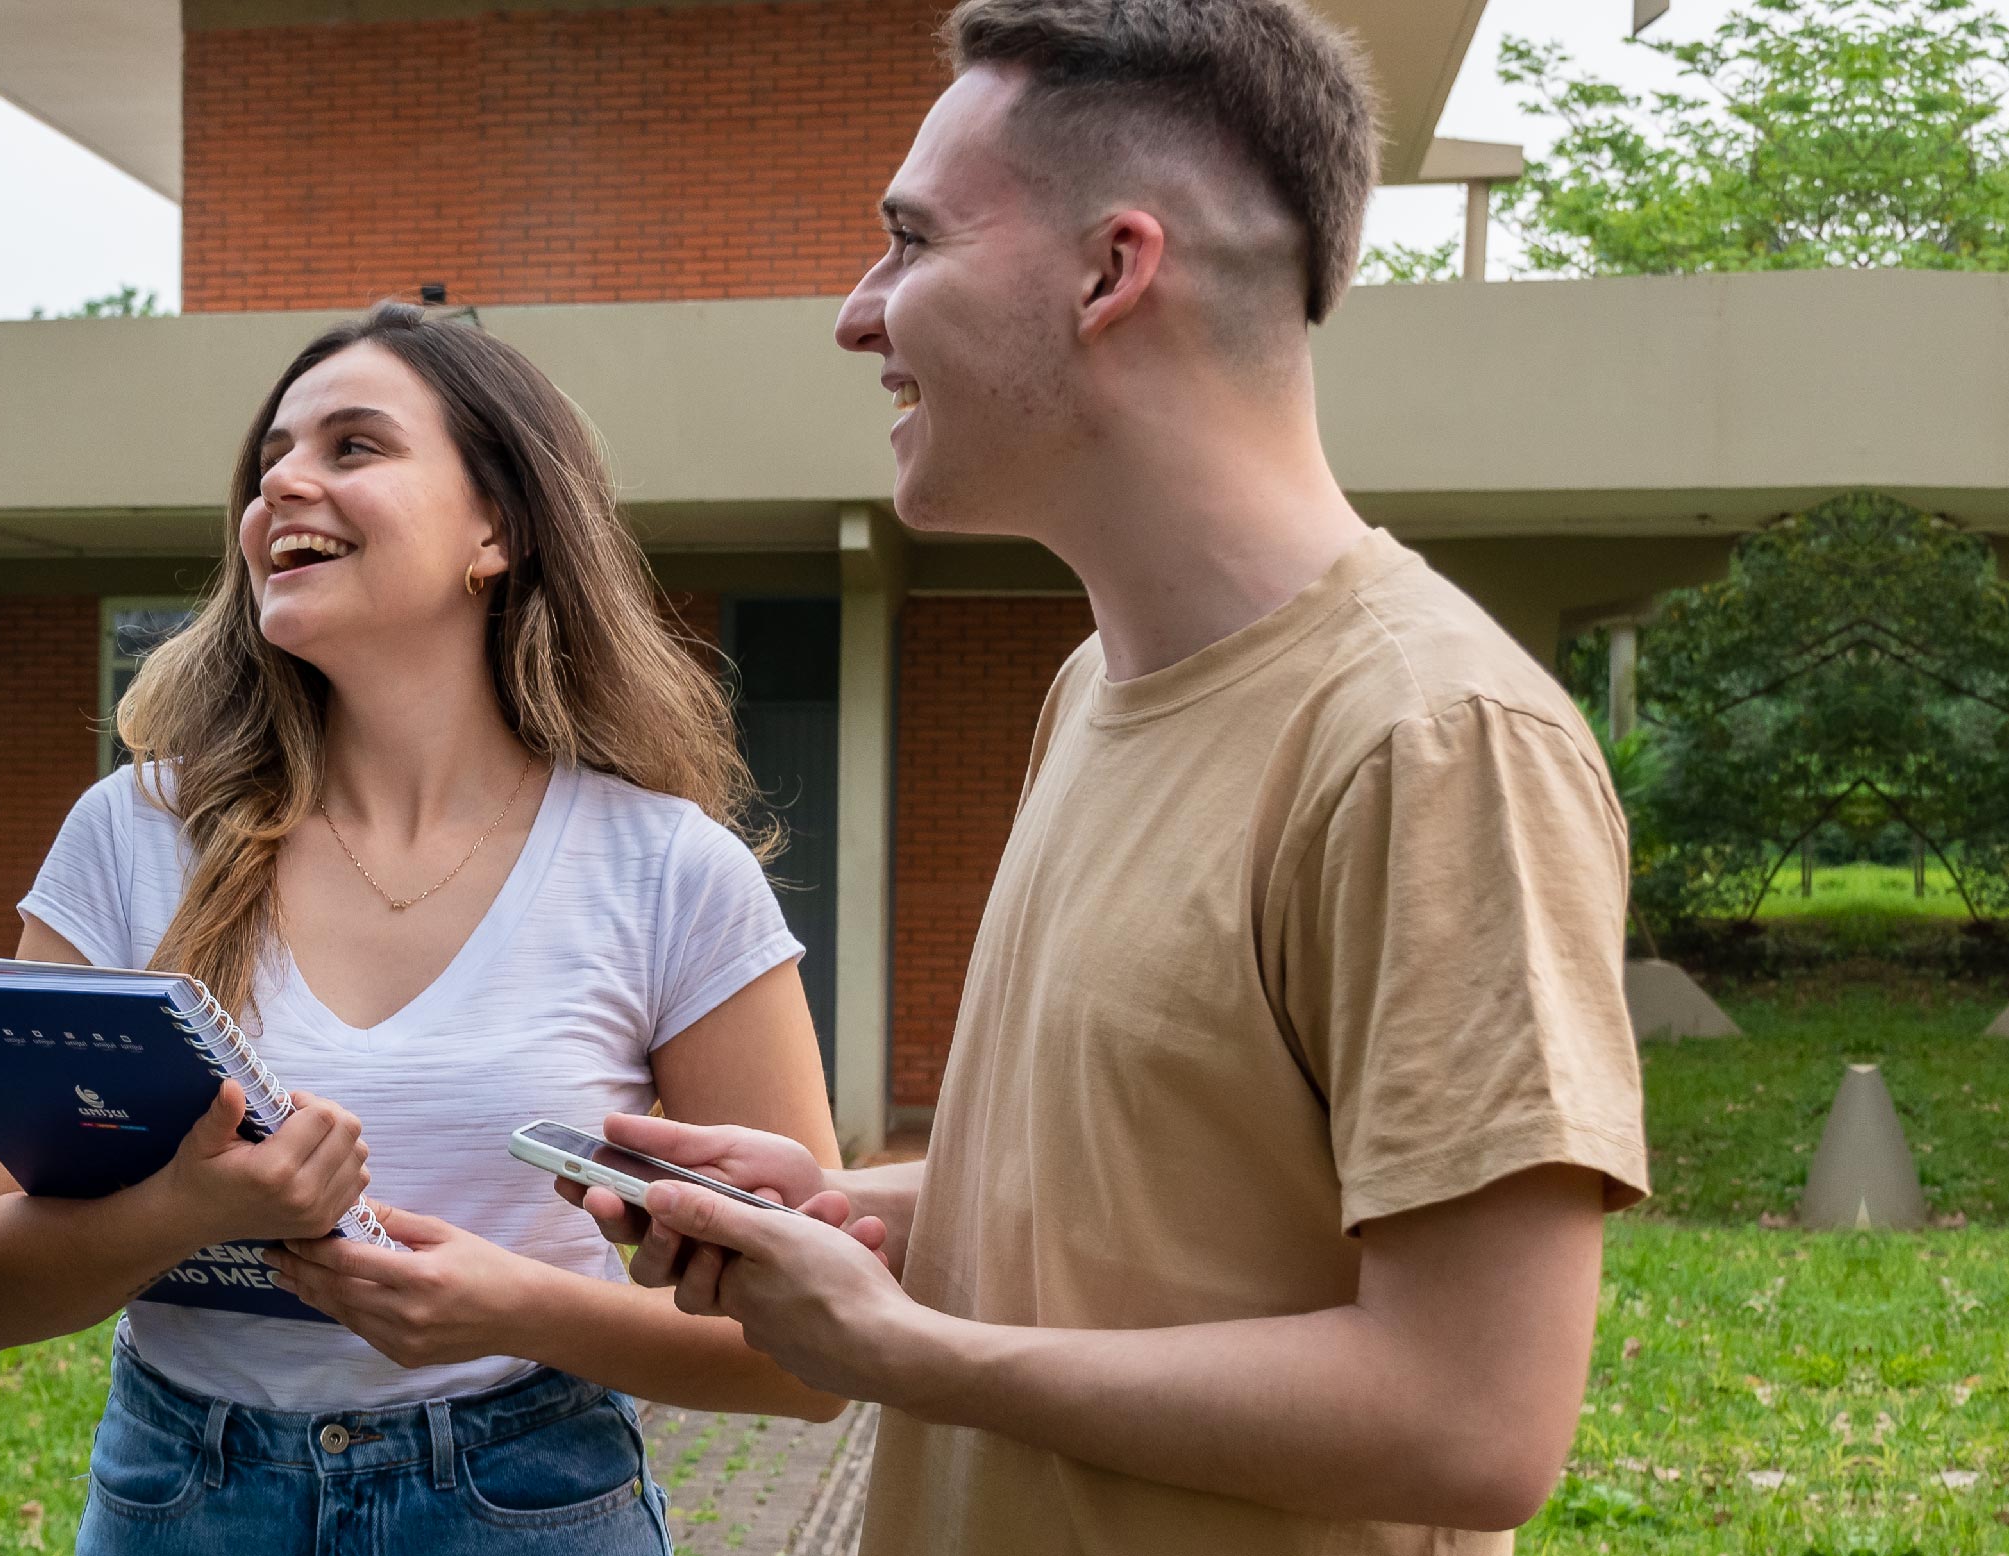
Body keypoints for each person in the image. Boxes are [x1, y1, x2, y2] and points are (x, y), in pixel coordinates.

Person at [586, 1, 1650, 1551]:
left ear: (1109, 272)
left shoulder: (1431, 741)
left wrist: (905, 1355)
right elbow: (1140, 1206)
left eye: (908, 241)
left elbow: (1467, 1422)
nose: (855, 316)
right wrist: (843, 1207)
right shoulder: (1090, 687)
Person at [0, 301, 849, 1556]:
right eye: (270, 459)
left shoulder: (668, 871)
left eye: (353, 445)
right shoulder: (131, 833)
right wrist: (183, 1207)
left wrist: (517, 1307)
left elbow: (808, 1355)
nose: (280, 486)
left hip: (525, 1508)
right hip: (181, 1505)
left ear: (497, 529)